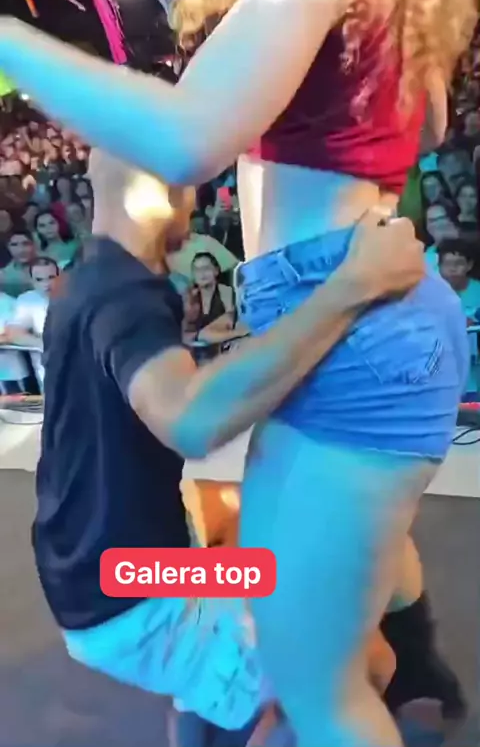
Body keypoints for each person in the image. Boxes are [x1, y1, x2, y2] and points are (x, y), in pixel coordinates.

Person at [0, 0, 476, 742]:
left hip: (116, 580)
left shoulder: (91, 290)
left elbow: (188, 138)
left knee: (318, 674)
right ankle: (396, 661)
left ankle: (379, 665)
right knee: (331, 637)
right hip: (134, 581)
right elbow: (429, 122)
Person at [33, 150, 426, 747]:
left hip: (99, 565)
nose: (195, 203)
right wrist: (354, 285)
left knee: (254, 530)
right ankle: (264, 697)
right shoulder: (128, 296)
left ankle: (210, 683)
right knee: (366, 667)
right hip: (135, 594)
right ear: (162, 187)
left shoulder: (84, 277)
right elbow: (192, 420)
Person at [5, 256, 60, 390]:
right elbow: (13, 333)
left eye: (51, 277)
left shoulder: (76, 295)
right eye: (39, 279)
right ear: (31, 281)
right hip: (48, 372)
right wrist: (43, 344)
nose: (46, 283)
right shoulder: (28, 299)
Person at [438, 239, 480, 322]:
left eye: (459, 263)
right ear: (439, 266)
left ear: (469, 265)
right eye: (447, 264)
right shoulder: (428, 292)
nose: (453, 268)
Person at [0, 227, 37, 297]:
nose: (21, 250)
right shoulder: (2, 276)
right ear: (8, 247)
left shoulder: (51, 269)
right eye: (14, 245)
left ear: (33, 245)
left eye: (26, 244)